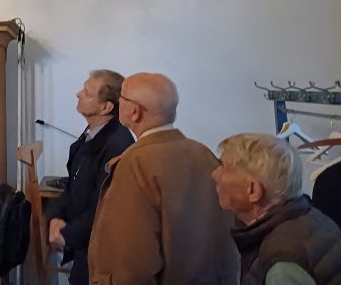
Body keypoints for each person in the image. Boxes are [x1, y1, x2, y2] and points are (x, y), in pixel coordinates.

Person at [88, 73, 239, 284]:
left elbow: (134, 264)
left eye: (122, 97)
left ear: (134, 111)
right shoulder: (203, 153)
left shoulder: (136, 164)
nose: (118, 102)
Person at [212, 133, 341, 285]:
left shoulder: (281, 263)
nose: (215, 174)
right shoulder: (311, 217)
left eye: (224, 167)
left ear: (253, 191)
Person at [47, 70, 134, 285]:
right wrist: (56, 216)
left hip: (99, 251)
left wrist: (68, 234)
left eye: (86, 92)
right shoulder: (93, 133)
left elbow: (103, 205)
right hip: (84, 244)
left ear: (105, 107)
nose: (78, 94)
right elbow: (73, 183)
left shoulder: (116, 145)